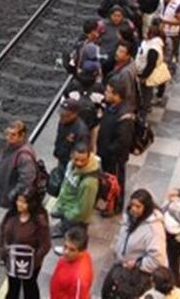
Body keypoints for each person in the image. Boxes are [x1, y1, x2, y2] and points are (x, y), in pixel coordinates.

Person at [101, 189, 168, 298]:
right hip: (121, 264)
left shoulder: (154, 230)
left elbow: (158, 259)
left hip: (135, 275)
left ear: (146, 208)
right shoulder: (130, 217)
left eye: (138, 206)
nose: (133, 209)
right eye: (132, 205)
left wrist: (137, 264)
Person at [0, 188, 52, 299]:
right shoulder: (11, 214)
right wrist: (2, 251)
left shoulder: (39, 220)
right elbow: (2, 231)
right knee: (13, 287)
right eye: (18, 200)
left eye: (24, 202)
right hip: (12, 260)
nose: (20, 204)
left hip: (31, 265)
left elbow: (45, 245)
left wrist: (34, 261)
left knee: (29, 287)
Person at [97, 83, 135, 215]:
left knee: (116, 181)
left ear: (117, 95)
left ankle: (116, 206)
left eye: (108, 92)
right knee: (108, 179)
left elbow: (122, 141)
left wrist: (109, 151)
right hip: (106, 153)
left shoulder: (124, 116)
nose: (105, 94)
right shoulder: (111, 107)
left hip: (115, 158)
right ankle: (108, 200)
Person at [51, 143, 100, 245]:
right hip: (67, 208)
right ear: (71, 155)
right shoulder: (71, 165)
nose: (79, 163)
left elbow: (84, 210)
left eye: (83, 160)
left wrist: (69, 215)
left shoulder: (89, 182)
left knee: (73, 241)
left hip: (75, 217)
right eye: (76, 159)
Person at [0, 120, 38, 208]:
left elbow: (26, 180)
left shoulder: (24, 157)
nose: (8, 137)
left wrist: (13, 195)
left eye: (13, 135)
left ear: (22, 136)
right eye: (7, 134)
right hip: (9, 190)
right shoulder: (12, 146)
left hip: (16, 200)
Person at [49, 225, 94, 299]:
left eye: (72, 250)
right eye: (65, 246)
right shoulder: (71, 258)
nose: (66, 252)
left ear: (82, 251)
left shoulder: (79, 278)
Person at [135, 20, 170, 114]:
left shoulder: (153, 48)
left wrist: (143, 76)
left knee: (146, 91)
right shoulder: (151, 43)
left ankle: (146, 107)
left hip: (146, 73)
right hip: (143, 69)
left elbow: (151, 64)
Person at [54, 98, 90, 172]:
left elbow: (81, 153)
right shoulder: (62, 122)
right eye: (61, 114)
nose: (62, 117)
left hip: (72, 166)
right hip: (61, 160)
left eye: (66, 115)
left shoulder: (81, 131)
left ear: (75, 114)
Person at [157, 0, 180, 72]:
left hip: (174, 33)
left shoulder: (178, 5)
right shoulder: (163, 1)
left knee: (173, 51)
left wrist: (165, 21)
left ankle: (172, 67)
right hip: (164, 31)